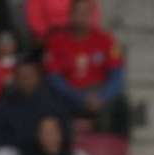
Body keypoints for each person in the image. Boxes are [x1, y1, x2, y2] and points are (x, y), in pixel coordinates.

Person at [45, 0, 127, 135]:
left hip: (98, 94)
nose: (81, 17)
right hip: (68, 94)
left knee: (121, 106)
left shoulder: (106, 40)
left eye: (85, 13)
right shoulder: (56, 41)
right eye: (77, 13)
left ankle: (111, 152)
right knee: (49, 103)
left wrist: (102, 97)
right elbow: (54, 79)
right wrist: (80, 98)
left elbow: (117, 76)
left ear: (91, 16)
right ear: (70, 15)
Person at [25, 0, 102, 43]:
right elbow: (35, 19)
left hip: (79, 32)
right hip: (50, 36)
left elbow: (92, 14)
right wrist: (44, 35)